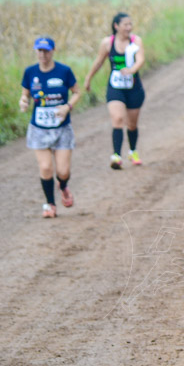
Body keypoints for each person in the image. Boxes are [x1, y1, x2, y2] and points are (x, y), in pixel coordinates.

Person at [19, 36, 81, 218]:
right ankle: (50, 204)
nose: (43, 54)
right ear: (36, 52)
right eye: (39, 51)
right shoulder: (30, 72)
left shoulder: (64, 71)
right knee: (46, 168)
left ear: (53, 51)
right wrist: (23, 102)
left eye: (46, 51)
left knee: (63, 171)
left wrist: (67, 107)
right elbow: (26, 95)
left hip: (62, 128)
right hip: (39, 128)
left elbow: (76, 92)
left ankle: (63, 186)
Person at [84, 12, 145, 169]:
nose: (128, 27)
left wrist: (132, 69)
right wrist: (88, 78)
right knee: (117, 119)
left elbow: (141, 59)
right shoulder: (107, 43)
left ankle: (132, 151)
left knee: (132, 124)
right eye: (125, 24)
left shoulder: (136, 41)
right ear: (116, 26)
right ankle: (116, 156)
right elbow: (99, 61)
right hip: (115, 87)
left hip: (133, 88)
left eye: (130, 24)